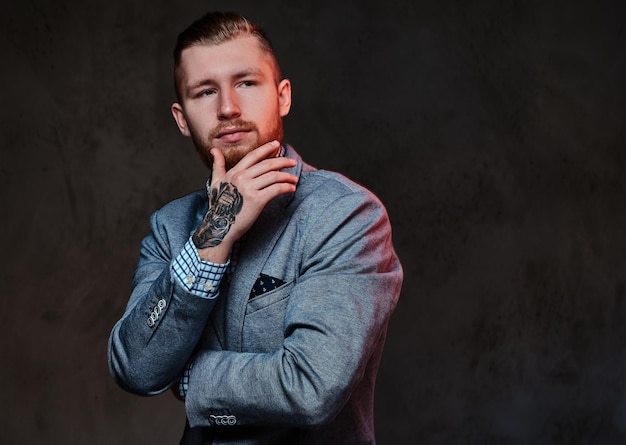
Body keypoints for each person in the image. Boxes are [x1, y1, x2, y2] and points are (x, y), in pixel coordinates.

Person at [108, 11, 403, 445]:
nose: (228, 107)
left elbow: (309, 388)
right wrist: (215, 233)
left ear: (282, 97)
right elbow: (135, 367)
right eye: (206, 91)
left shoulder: (345, 214)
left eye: (246, 83)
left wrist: (189, 378)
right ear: (182, 118)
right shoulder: (171, 229)